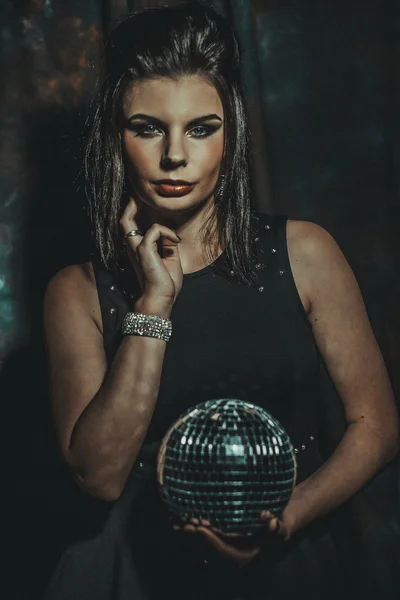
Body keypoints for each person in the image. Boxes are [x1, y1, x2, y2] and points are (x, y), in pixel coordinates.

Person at [43, 2, 399, 599]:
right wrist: (154, 303)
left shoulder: (306, 252)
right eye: (148, 127)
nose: (175, 155)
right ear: (115, 136)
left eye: (200, 128)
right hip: (131, 574)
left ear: (230, 134)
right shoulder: (75, 290)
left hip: (291, 559)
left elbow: (378, 427)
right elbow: (99, 477)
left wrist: (287, 520)